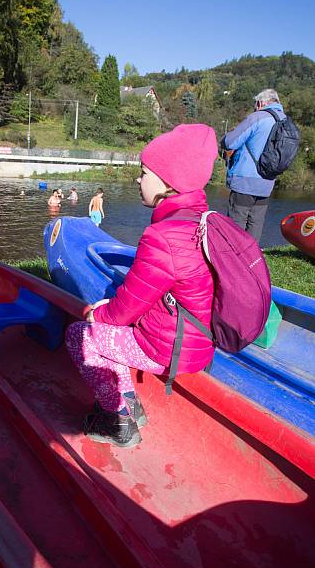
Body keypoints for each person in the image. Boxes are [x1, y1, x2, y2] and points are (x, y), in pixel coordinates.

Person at [66, 124, 217, 448]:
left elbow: (128, 306)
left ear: (168, 181)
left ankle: (117, 421)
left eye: (144, 172)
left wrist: (98, 315)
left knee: (80, 336)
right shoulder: (201, 221)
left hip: (169, 347)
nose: (138, 179)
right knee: (111, 338)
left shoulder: (163, 237)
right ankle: (131, 404)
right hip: (197, 342)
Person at [222, 88, 286, 243]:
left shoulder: (257, 117)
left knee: (236, 224)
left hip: (245, 180)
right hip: (267, 182)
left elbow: (230, 142)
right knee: (255, 224)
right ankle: (251, 260)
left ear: (260, 103)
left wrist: (225, 138)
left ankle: (233, 261)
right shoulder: (284, 121)